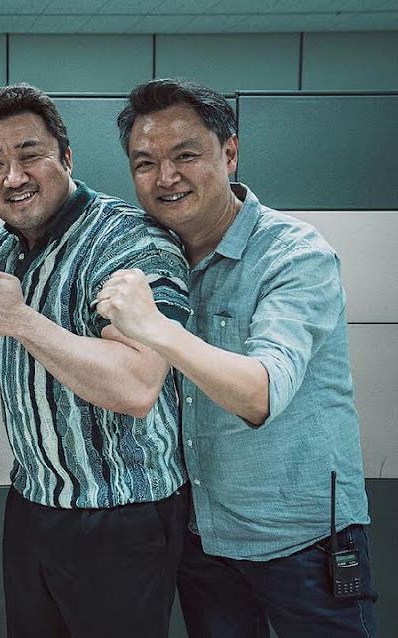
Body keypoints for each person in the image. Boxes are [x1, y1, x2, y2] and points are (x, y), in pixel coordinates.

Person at [96, 77, 377, 637]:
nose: (166, 177)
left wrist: (155, 328)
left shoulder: (295, 255)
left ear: (229, 153)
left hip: (305, 542)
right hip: (204, 543)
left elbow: (261, 393)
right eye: (146, 163)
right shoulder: (153, 259)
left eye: (186, 155)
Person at [0, 83, 191, 638]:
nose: (13, 177)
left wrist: (21, 320)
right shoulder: (1, 249)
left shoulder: (131, 240)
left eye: (30, 155)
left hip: (122, 514)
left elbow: (137, 385)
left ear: (66, 156)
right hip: (32, 507)